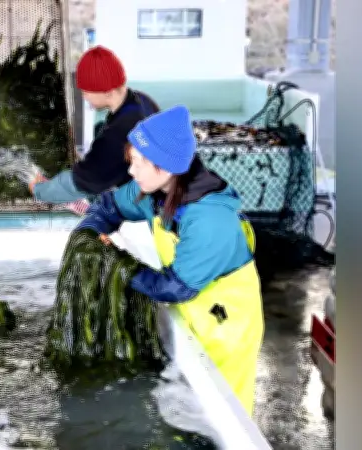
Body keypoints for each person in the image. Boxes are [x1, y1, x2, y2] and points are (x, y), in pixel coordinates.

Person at [75, 105, 264, 415]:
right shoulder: (154, 190)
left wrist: (115, 265)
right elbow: (109, 206)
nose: (131, 172)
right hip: (189, 313)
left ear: (164, 167)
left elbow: (176, 287)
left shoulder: (208, 219)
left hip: (225, 325)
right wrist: (88, 237)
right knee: (186, 409)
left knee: (224, 413)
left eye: (137, 163)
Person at [30, 45, 160, 203]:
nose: (84, 97)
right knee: (99, 129)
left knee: (89, 187)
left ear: (107, 92)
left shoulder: (117, 134)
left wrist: (39, 190)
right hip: (154, 174)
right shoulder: (141, 100)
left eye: (86, 92)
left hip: (146, 200)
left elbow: (80, 182)